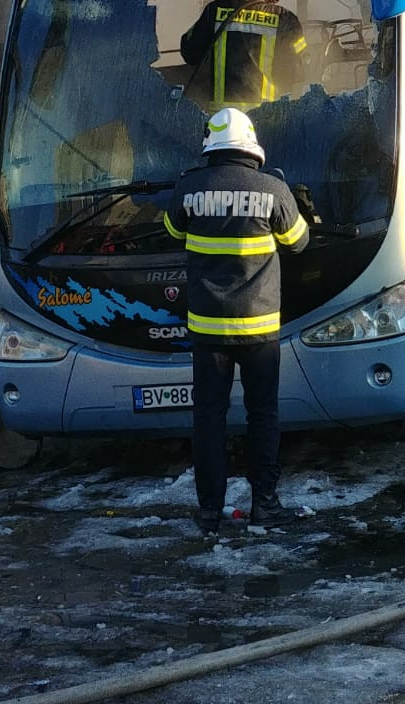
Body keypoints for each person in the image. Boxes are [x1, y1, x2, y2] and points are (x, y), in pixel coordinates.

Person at [162, 106, 311, 534]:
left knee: (209, 418)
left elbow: (173, 232)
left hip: (208, 331)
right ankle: (265, 503)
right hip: (260, 330)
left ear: (211, 146)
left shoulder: (189, 189)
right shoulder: (273, 189)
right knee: (262, 414)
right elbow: (299, 243)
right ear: (251, 147)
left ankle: (210, 509)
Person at [180, 0, 308, 109]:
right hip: (264, 119)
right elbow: (296, 71)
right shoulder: (285, 20)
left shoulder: (214, 10)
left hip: (221, 119)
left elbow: (189, 53)